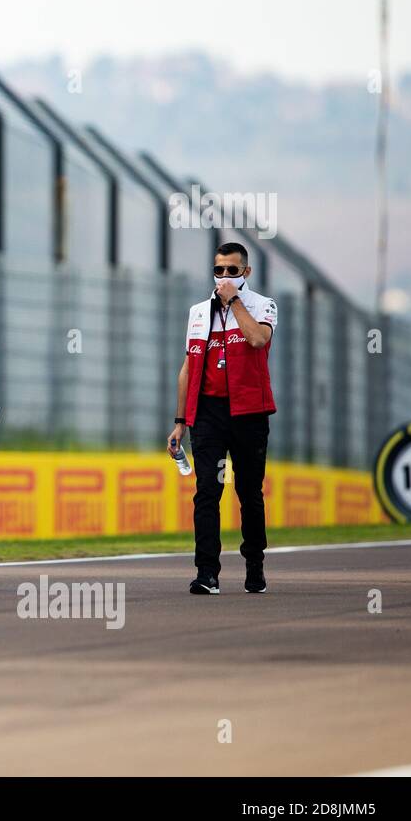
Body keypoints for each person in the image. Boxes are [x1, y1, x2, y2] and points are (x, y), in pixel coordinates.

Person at [168, 241, 278, 595]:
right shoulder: (198, 312)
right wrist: (180, 420)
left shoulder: (263, 305)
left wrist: (234, 301)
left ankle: (254, 565)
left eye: (233, 270)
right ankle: (206, 572)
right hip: (208, 414)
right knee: (206, 491)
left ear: (246, 272)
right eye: (219, 270)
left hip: (249, 412)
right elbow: (188, 368)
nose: (225, 277)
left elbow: (258, 340)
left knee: (248, 492)